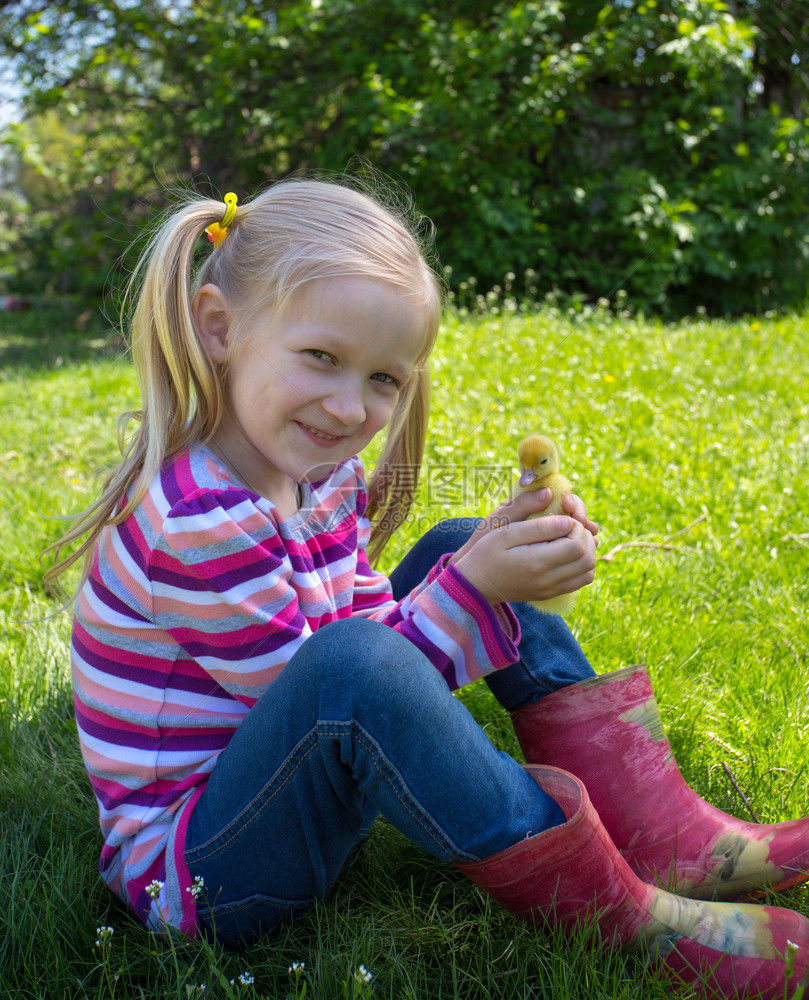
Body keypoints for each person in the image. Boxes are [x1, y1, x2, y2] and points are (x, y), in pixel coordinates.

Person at [48, 178, 809, 997]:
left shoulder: (318, 475)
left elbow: (367, 625)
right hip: (204, 871)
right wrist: (476, 588)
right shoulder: (197, 524)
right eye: (321, 358)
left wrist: (494, 554)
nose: (350, 406)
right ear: (220, 327)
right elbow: (336, 696)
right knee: (366, 657)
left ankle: (660, 829)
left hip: (287, 769)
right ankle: (613, 910)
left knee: (451, 548)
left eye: (385, 378)